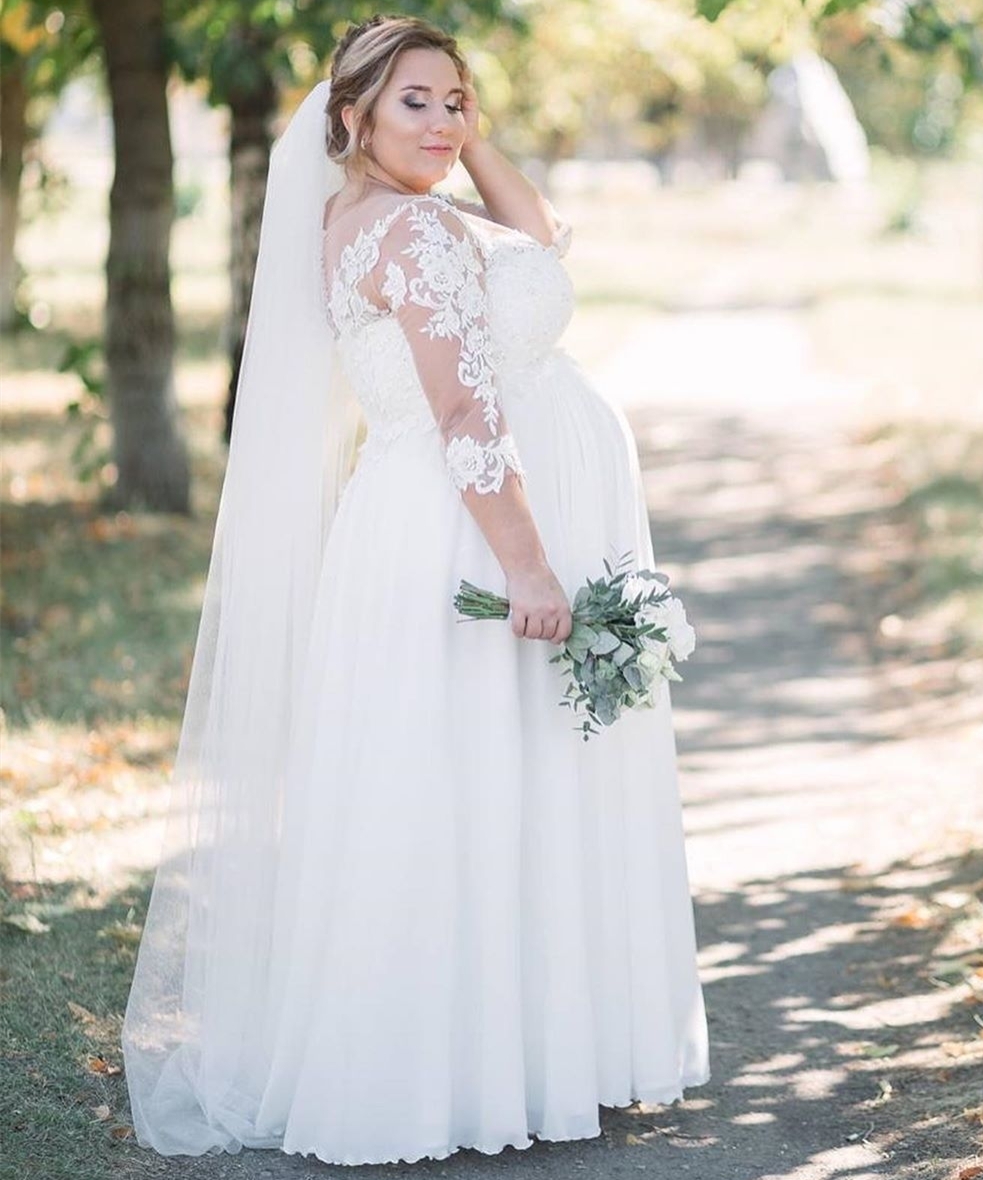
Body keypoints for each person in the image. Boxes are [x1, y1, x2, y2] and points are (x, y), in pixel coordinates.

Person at [121, 14, 710, 1168]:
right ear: (351, 118)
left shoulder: (362, 218)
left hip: (405, 523)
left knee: (442, 782)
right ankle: (470, 1069)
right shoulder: (420, 238)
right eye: (415, 105)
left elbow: (541, 234)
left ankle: (470, 1056)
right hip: (469, 534)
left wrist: (467, 144)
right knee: (482, 773)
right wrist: (531, 566)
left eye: (458, 100)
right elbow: (466, 415)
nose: (443, 123)